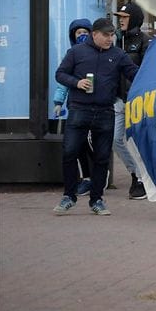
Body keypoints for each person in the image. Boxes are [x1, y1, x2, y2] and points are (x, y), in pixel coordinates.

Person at [53, 18, 139, 215]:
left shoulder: (118, 55)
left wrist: (155, 74)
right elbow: (60, 74)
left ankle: (97, 200)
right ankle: (69, 195)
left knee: (102, 158)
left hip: (105, 111)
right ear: (95, 34)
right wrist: (76, 83)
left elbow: (134, 73)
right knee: (70, 152)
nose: (110, 39)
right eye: (106, 35)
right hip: (79, 109)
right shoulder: (76, 52)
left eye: (112, 35)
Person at [112, 2, 151, 200]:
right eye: (119, 17)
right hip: (118, 99)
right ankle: (136, 173)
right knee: (116, 140)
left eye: (125, 17)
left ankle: (143, 180)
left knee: (137, 142)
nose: (121, 20)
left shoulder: (144, 41)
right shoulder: (115, 41)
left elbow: (147, 72)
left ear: (134, 18)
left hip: (137, 100)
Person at [53, 20, 96, 197]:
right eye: (78, 33)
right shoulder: (71, 54)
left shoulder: (99, 53)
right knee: (78, 145)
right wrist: (58, 102)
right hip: (76, 106)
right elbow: (63, 81)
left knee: (93, 143)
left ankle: (97, 175)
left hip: (96, 107)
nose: (82, 35)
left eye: (85, 32)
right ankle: (87, 177)